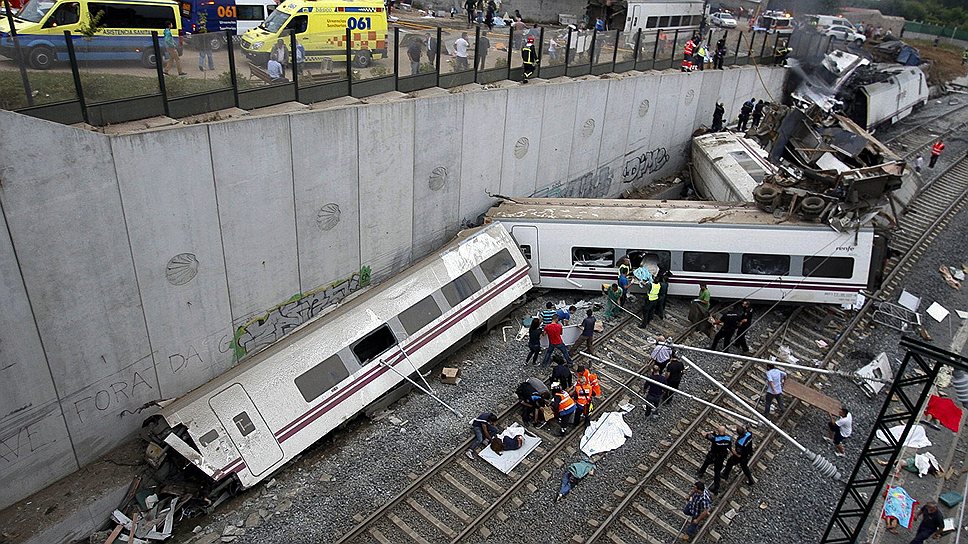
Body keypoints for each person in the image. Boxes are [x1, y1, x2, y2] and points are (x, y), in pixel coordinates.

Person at [697, 426, 732, 494]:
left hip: (713, 455)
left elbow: (704, 434)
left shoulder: (715, 438)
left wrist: (711, 432)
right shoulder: (728, 439)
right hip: (720, 458)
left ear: (718, 431)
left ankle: (700, 473)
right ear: (725, 431)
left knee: (706, 463)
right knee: (717, 472)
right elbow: (729, 446)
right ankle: (716, 488)